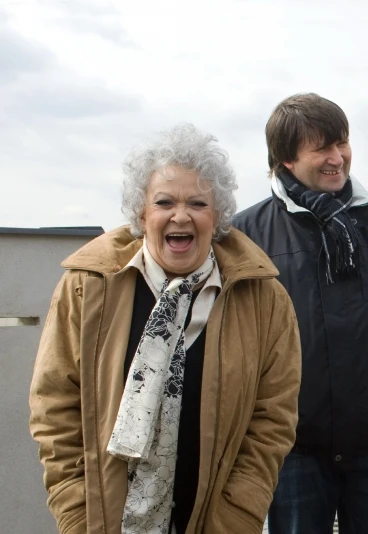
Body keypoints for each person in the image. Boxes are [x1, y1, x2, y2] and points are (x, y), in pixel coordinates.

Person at [29, 123, 302, 534]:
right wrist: (77, 513)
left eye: (197, 202)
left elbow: (272, 422)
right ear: (142, 213)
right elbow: (55, 407)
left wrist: (237, 517)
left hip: (215, 522)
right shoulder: (87, 288)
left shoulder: (265, 300)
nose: (181, 215)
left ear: (219, 216)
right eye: (164, 202)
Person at [232, 92, 368, 534]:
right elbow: (229, 333)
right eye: (322, 148)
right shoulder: (247, 235)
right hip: (292, 450)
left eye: (343, 143)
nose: (338, 158)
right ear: (286, 160)